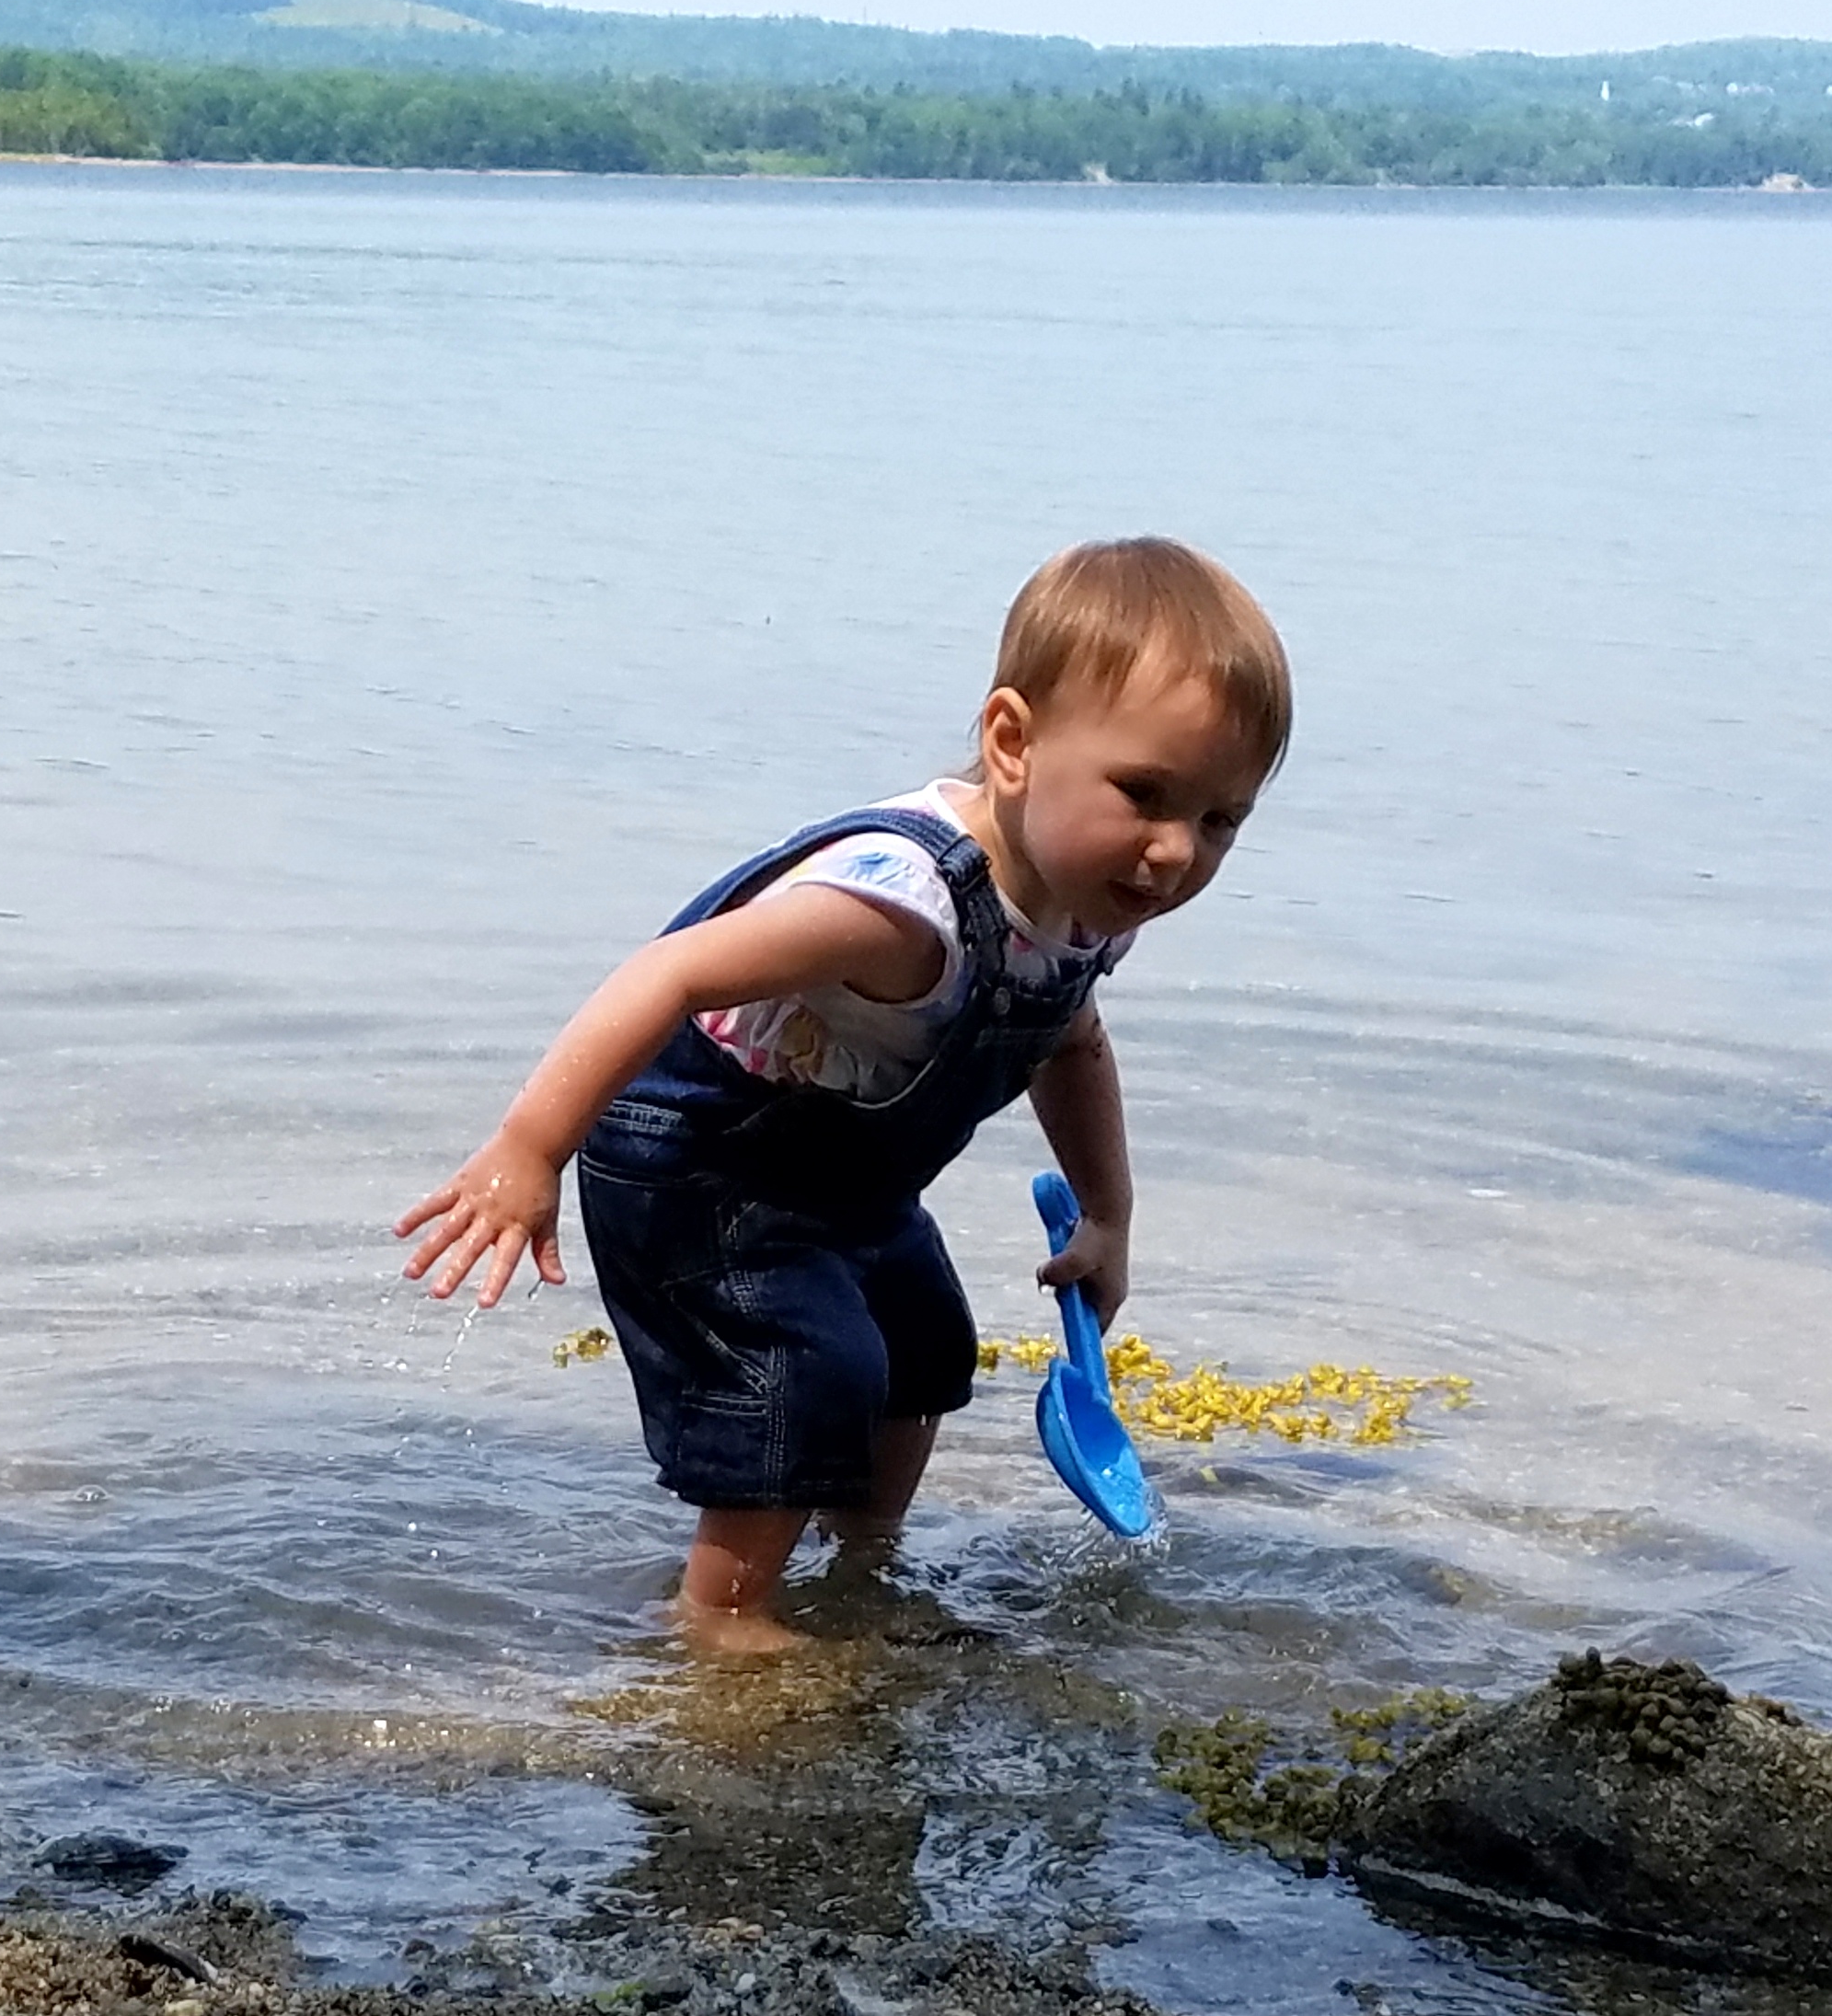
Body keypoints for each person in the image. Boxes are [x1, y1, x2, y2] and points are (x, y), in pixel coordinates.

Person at [397, 538, 1292, 1651]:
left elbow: (1071, 1041)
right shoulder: (900, 908)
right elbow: (670, 972)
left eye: (1218, 820)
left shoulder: (1087, 906)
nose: (1173, 854)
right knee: (807, 1369)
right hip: (701, 1161)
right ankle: (722, 1614)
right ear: (1013, 743)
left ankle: (866, 1557)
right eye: (1144, 795)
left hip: (845, 1180)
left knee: (924, 1345)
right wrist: (531, 1149)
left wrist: (1108, 1218)